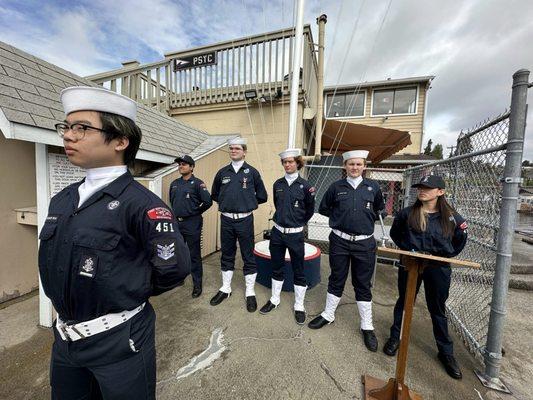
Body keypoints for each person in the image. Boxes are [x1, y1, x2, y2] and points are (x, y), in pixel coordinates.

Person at [39, 86, 191, 400]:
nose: (68, 135)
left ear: (121, 141)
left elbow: (173, 268)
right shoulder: (63, 200)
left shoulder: (142, 205)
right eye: (66, 127)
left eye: (81, 128)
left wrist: (127, 289)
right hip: (66, 340)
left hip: (120, 339)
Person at [383, 174, 468, 379]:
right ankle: (396, 337)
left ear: (440, 192)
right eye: (420, 187)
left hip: (438, 267)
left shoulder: (453, 218)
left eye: (428, 188)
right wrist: (409, 250)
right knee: (404, 302)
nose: (422, 190)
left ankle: (446, 353)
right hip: (411, 265)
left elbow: (459, 242)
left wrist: (442, 256)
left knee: (437, 308)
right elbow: (396, 235)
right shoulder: (407, 214)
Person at [308, 150, 384, 352]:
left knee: (362, 283)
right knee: (337, 277)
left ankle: (366, 325)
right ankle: (328, 314)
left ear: (364, 166)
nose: (355, 167)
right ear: (345, 166)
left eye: (359, 164)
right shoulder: (336, 187)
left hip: (364, 244)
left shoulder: (373, 187)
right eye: (351, 164)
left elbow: (377, 211)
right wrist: (342, 217)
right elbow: (324, 209)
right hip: (340, 241)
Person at [209, 138, 268, 312]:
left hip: (245, 219)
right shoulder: (222, 172)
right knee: (227, 253)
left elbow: (262, 196)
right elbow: (215, 194)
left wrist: (246, 203)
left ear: (244, 151)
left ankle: (250, 292)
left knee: (248, 255)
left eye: (237, 148)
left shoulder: (252, 173)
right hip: (226, 219)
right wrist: (229, 203)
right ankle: (225, 288)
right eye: (231, 148)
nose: (233, 151)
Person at [259, 148, 316, 324]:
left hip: (295, 235)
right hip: (277, 233)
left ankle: (299, 306)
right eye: (285, 162)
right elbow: (278, 205)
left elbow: (309, 211)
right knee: (277, 266)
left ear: (298, 163)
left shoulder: (306, 186)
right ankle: (274, 300)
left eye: (291, 161)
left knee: (299, 270)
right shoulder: (278, 184)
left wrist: (296, 223)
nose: (288, 164)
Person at [169, 154, 212, 298]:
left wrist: (195, 212)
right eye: (179, 164)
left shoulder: (198, 184)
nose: (181, 166)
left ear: (192, 167)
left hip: (192, 223)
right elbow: (172, 202)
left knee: (194, 255)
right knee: (179, 253)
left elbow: (208, 202)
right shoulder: (174, 183)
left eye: (184, 164)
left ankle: (197, 284)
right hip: (177, 223)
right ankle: (179, 279)